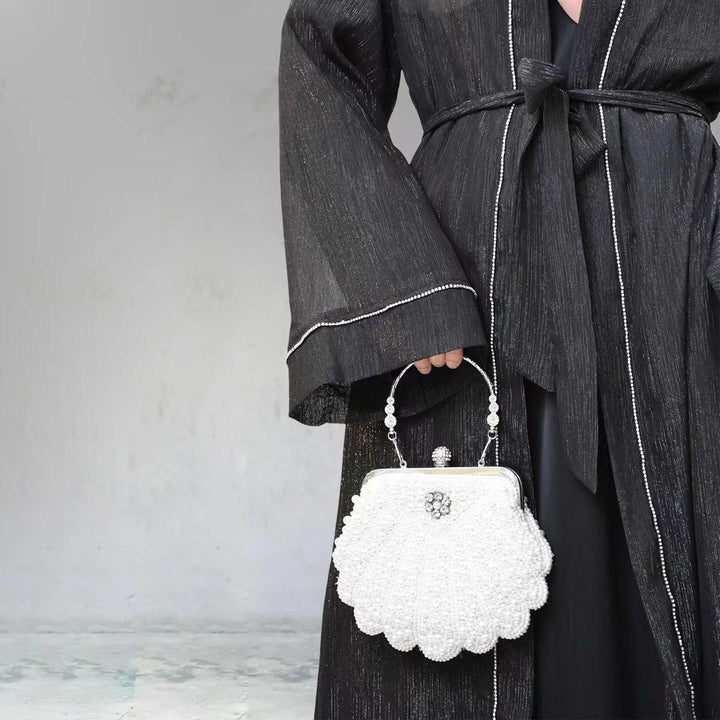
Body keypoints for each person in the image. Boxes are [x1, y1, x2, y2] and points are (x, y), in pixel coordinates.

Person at [277, 0, 720, 717]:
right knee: (460, 588)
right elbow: (320, 61)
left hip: (674, 272)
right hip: (468, 272)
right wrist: (406, 287)